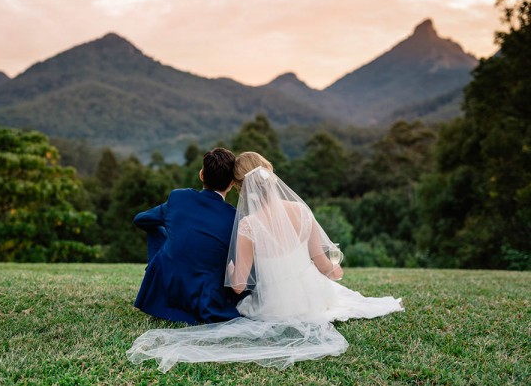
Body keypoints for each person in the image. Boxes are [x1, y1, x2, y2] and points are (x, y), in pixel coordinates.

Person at [128, 152, 403, 372]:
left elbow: (238, 287)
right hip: (314, 296)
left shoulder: (247, 225)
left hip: (273, 303)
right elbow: (326, 267)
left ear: (239, 186)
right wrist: (334, 269)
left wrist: (233, 267)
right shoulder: (300, 211)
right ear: (270, 175)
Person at [133, 147, 243, 324]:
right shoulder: (235, 218)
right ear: (231, 183)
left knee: (154, 227)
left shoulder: (178, 198)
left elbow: (140, 219)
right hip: (205, 301)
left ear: (201, 175)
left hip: (168, 289)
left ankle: (158, 283)